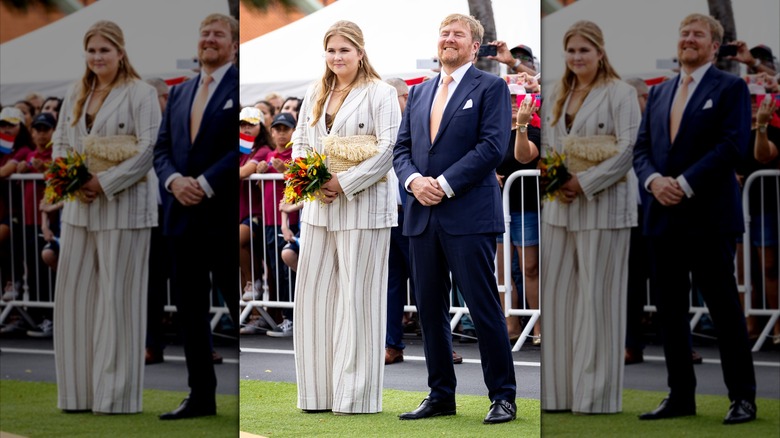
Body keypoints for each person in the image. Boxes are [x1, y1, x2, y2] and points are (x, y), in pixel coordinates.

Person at [633, 13, 757, 424]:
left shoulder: (731, 87)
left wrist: (683, 184)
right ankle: (680, 396)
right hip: (661, 217)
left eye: (697, 34)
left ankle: (742, 398)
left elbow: (733, 146)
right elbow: (642, 149)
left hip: (708, 217)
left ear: (714, 45)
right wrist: (653, 181)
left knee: (724, 310)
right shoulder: (662, 91)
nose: (688, 39)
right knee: (669, 313)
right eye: (684, 33)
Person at [393, 13, 517, 424]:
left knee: (483, 309)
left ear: (474, 46)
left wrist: (442, 184)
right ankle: (440, 394)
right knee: (430, 311)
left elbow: (492, 148)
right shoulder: (421, 91)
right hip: (422, 217)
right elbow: (402, 150)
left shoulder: (492, 87)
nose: (448, 39)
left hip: (468, 216)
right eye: (444, 33)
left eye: (457, 34)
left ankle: (503, 396)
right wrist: (413, 182)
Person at [51, 20, 161, 414]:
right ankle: (77, 395)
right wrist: (74, 179)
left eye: (104, 50)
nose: (97, 57)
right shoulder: (75, 91)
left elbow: (149, 148)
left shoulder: (141, 93)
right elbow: (61, 144)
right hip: (78, 208)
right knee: (73, 301)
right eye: (91, 50)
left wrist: (106, 181)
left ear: (120, 52)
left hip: (125, 209)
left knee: (119, 303)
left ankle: (115, 398)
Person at [290, 20, 400, 414]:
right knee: (313, 299)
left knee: (359, 302)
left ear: (360, 52)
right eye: (331, 50)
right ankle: (316, 395)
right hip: (319, 206)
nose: (337, 57)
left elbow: (390, 149)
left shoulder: (381, 92)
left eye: (344, 50)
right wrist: (313, 179)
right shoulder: (315, 90)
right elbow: (300, 141)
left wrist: (345, 181)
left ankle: (355, 398)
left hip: (365, 208)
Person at [539, 20, 640, 414]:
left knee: (599, 302)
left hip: (605, 206)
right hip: (558, 208)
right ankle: (557, 394)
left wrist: (586, 181)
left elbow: (628, 148)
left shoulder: (621, 93)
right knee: (559, 301)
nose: (577, 57)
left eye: (584, 49)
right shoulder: (556, 94)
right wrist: (560, 181)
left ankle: (595, 398)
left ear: (600, 52)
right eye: (571, 50)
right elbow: (548, 146)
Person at [153, 13, 239, 420]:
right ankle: (200, 396)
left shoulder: (239, 85)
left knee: (236, 307)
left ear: (233, 44)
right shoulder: (181, 91)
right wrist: (173, 182)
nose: (209, 40)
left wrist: (203, 183)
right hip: (180, 218)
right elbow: (162, 149)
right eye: (204, 34)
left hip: (220, 215)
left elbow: (239, 149)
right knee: (190, 313)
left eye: (218, 34)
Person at [500, 87, 541, 344]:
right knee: (502, 271)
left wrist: (522, 126)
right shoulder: (494, 132)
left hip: (526, 208)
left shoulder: (536, 131)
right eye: (510, 99)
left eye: (520, 99)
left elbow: (523, 157)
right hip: (497, 209)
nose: (515, 104)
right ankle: (511, 326)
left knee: (530, 267)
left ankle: (538, 327)